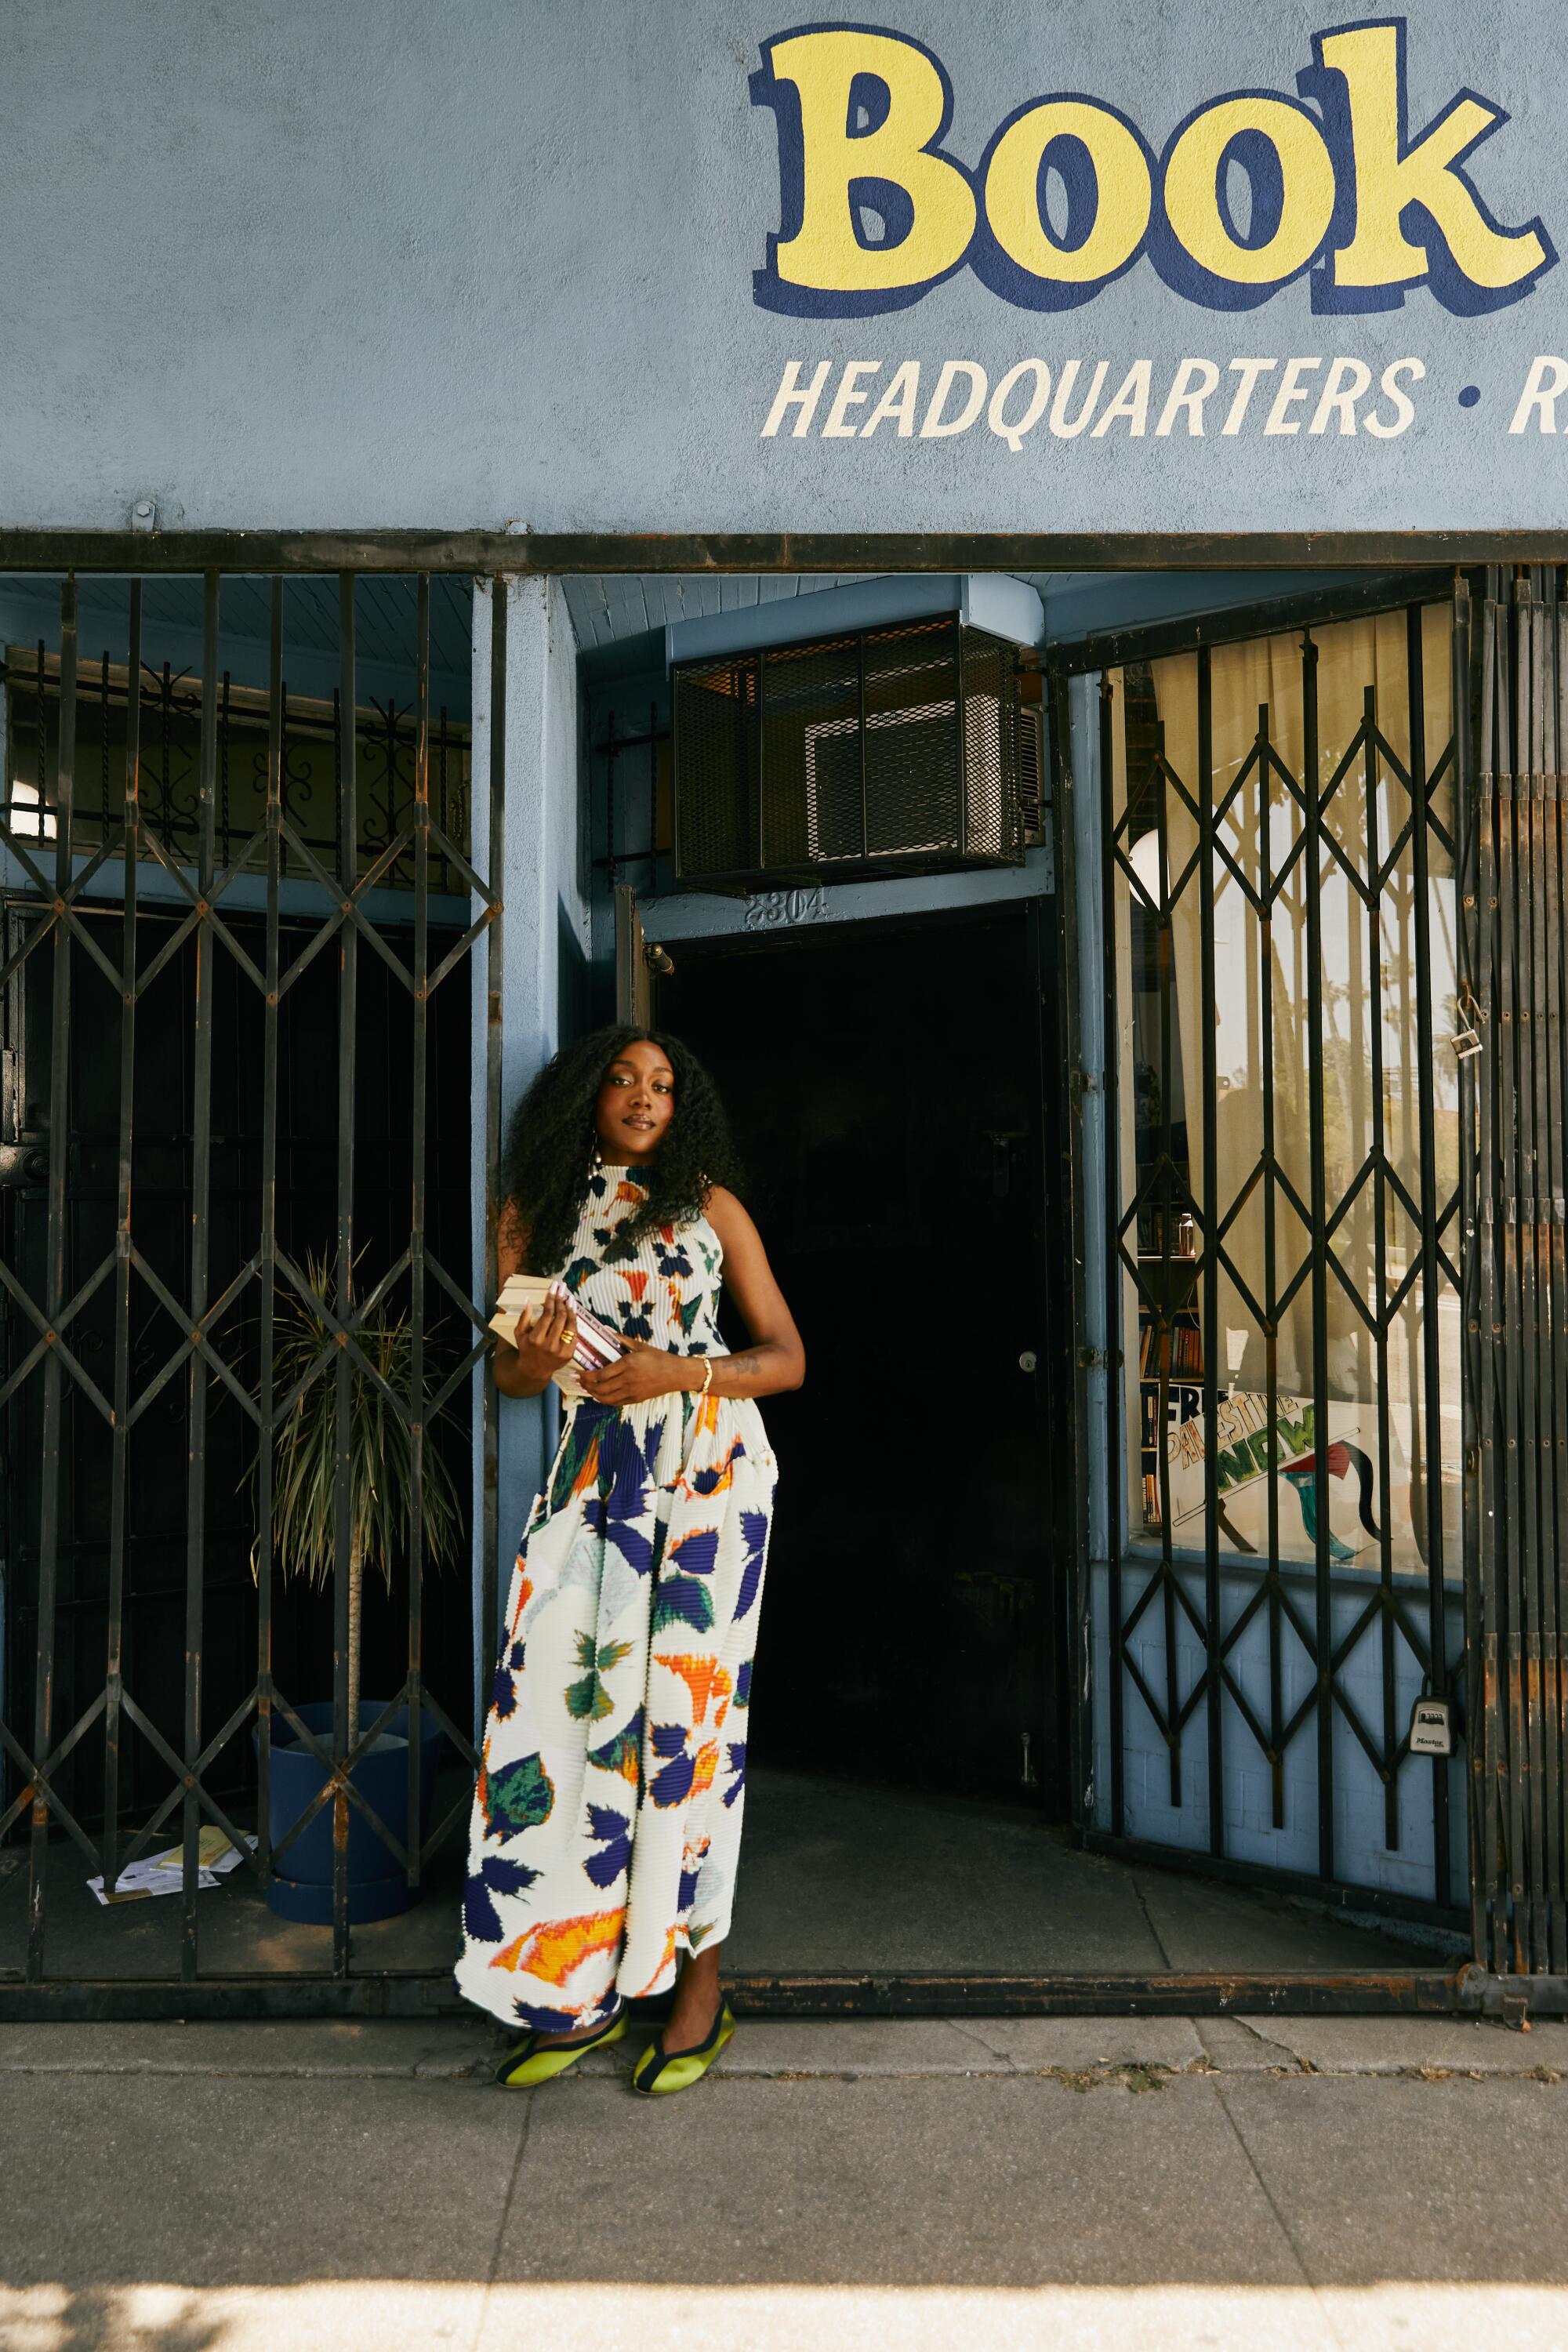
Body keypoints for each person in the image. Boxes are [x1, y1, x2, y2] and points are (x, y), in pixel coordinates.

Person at [454, 1025, 804, 2095]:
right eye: (622, 1079)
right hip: (592, 1487)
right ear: (585, 1097)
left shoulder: (709, 1206)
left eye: (663, 1083)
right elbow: (513, 1380)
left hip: (708, 1486)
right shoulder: (534, 1211)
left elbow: (787, 1360)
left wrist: (676, 1371)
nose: (644, 1097)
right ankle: (572, 1989)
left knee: (685, 1737)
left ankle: (698, 1989)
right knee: (559, 1724)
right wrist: (537, 1357)